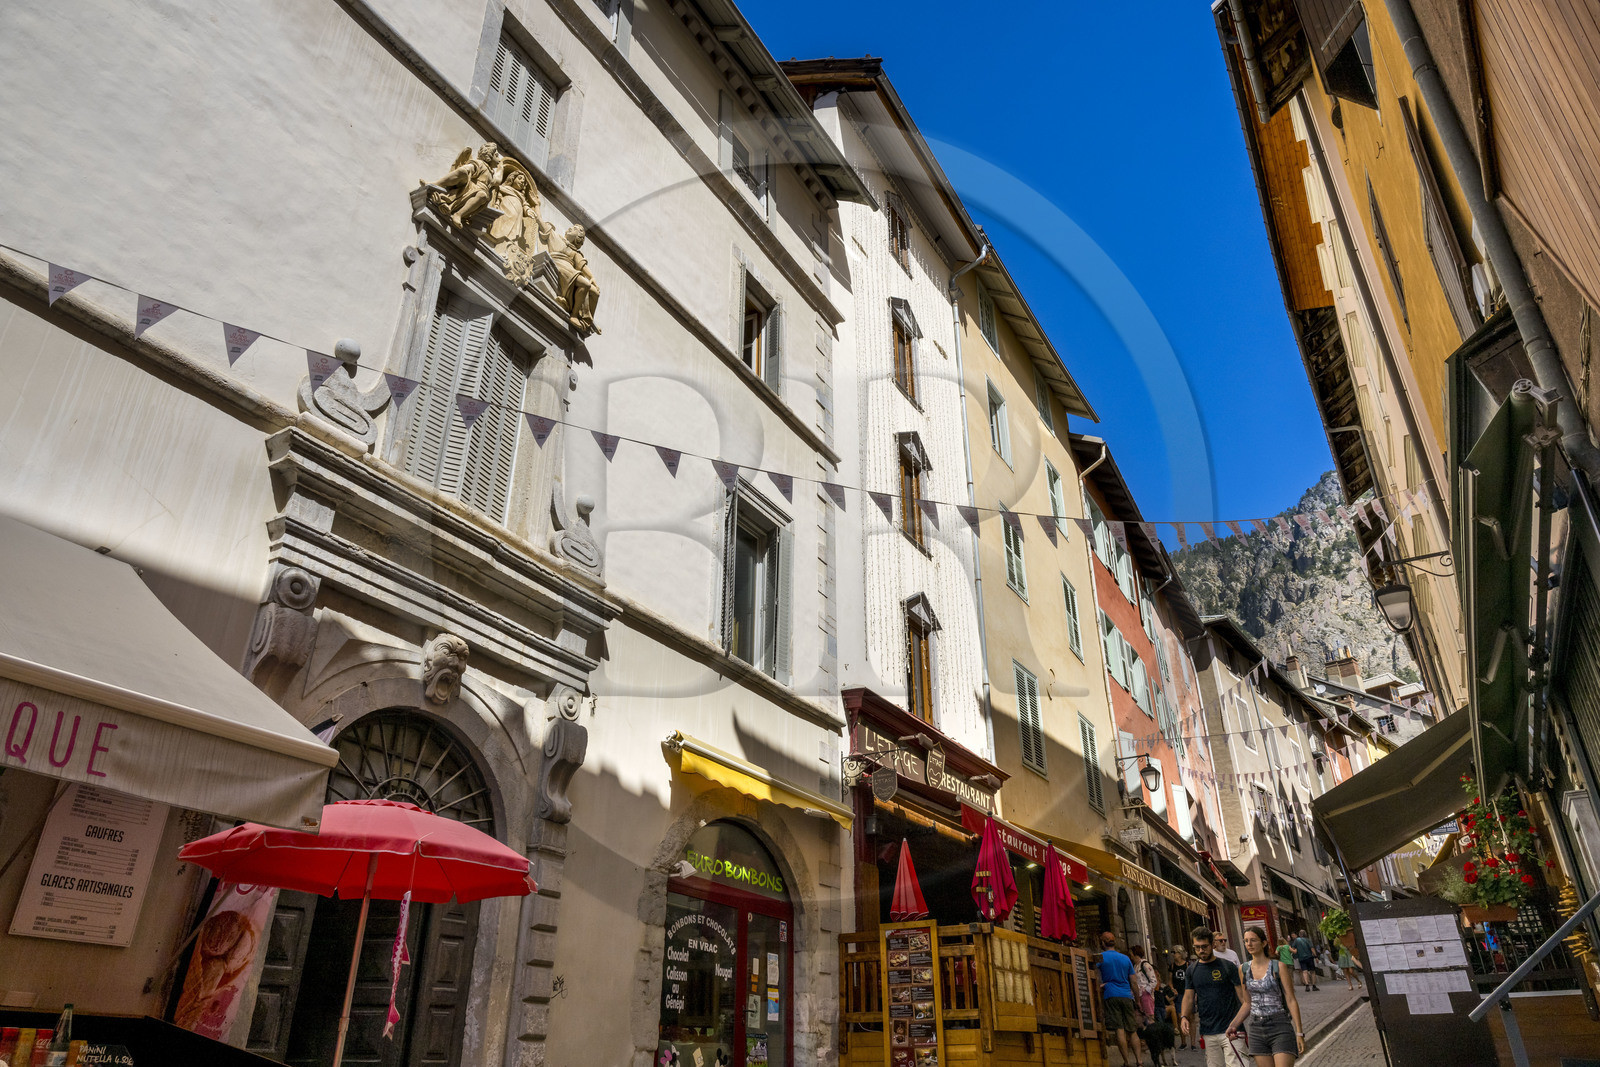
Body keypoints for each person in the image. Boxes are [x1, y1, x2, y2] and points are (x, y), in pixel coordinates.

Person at [1228, 926, 1305, 1066]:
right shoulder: (1243, 969)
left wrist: (1299, 1032)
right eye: (1246, 941)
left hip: (1279, 1025)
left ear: (1263, 943)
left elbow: (1290, 999)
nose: (1249, 944)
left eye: (1253, 940)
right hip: (1256, 1028)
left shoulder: (1278, 966)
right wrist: (1233, 1025)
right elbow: (1247, 1003)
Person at [1180, 926, 1244, 1067]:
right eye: (1197, 947)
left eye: (1204, 947)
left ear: (1212, 945)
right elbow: (1189, 997)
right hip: (1208, 1031)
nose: (1201, 951)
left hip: (1232, 1029)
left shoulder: (1228, 967)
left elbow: (1243, 998)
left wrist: (1242, 1024)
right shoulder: (1192, 970)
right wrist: (1184, 1016)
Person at [1095, 932, 1147, 1067]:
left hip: (1111, 995)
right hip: (1126, 995)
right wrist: (1137, 1000)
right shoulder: (1125, 959)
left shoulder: (1100, 958)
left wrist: (1101, 986)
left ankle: (1126, 1062)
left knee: (1119, 1030)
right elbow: (1134, 983)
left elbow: (1094, 977)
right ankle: (1139, 1061)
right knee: (1132, 1030)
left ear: (1102, 943)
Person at [1168, 948, 1191, 1049]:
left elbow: (1191, 978)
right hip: (1178, 995)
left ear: (1180, 953)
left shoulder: (1187, 965)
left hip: (1188, 993)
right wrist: (1172, 989)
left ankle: (1193, 1042)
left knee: (1190, 1017)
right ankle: (1183, 1042)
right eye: (1172, 953)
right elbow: (1170, 980)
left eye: (1175, 952)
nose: (1173, 954)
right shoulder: (1172, 966)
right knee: (1180, 1016)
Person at [1130, 944, 1159, 1022]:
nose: (1131, 956)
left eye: (1131, 954)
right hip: (1137, 994)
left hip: (1146, 994)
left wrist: (1146, 990)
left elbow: (1153, 980)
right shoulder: (1135, 966)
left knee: (1149, 1016)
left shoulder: (1145, 965)